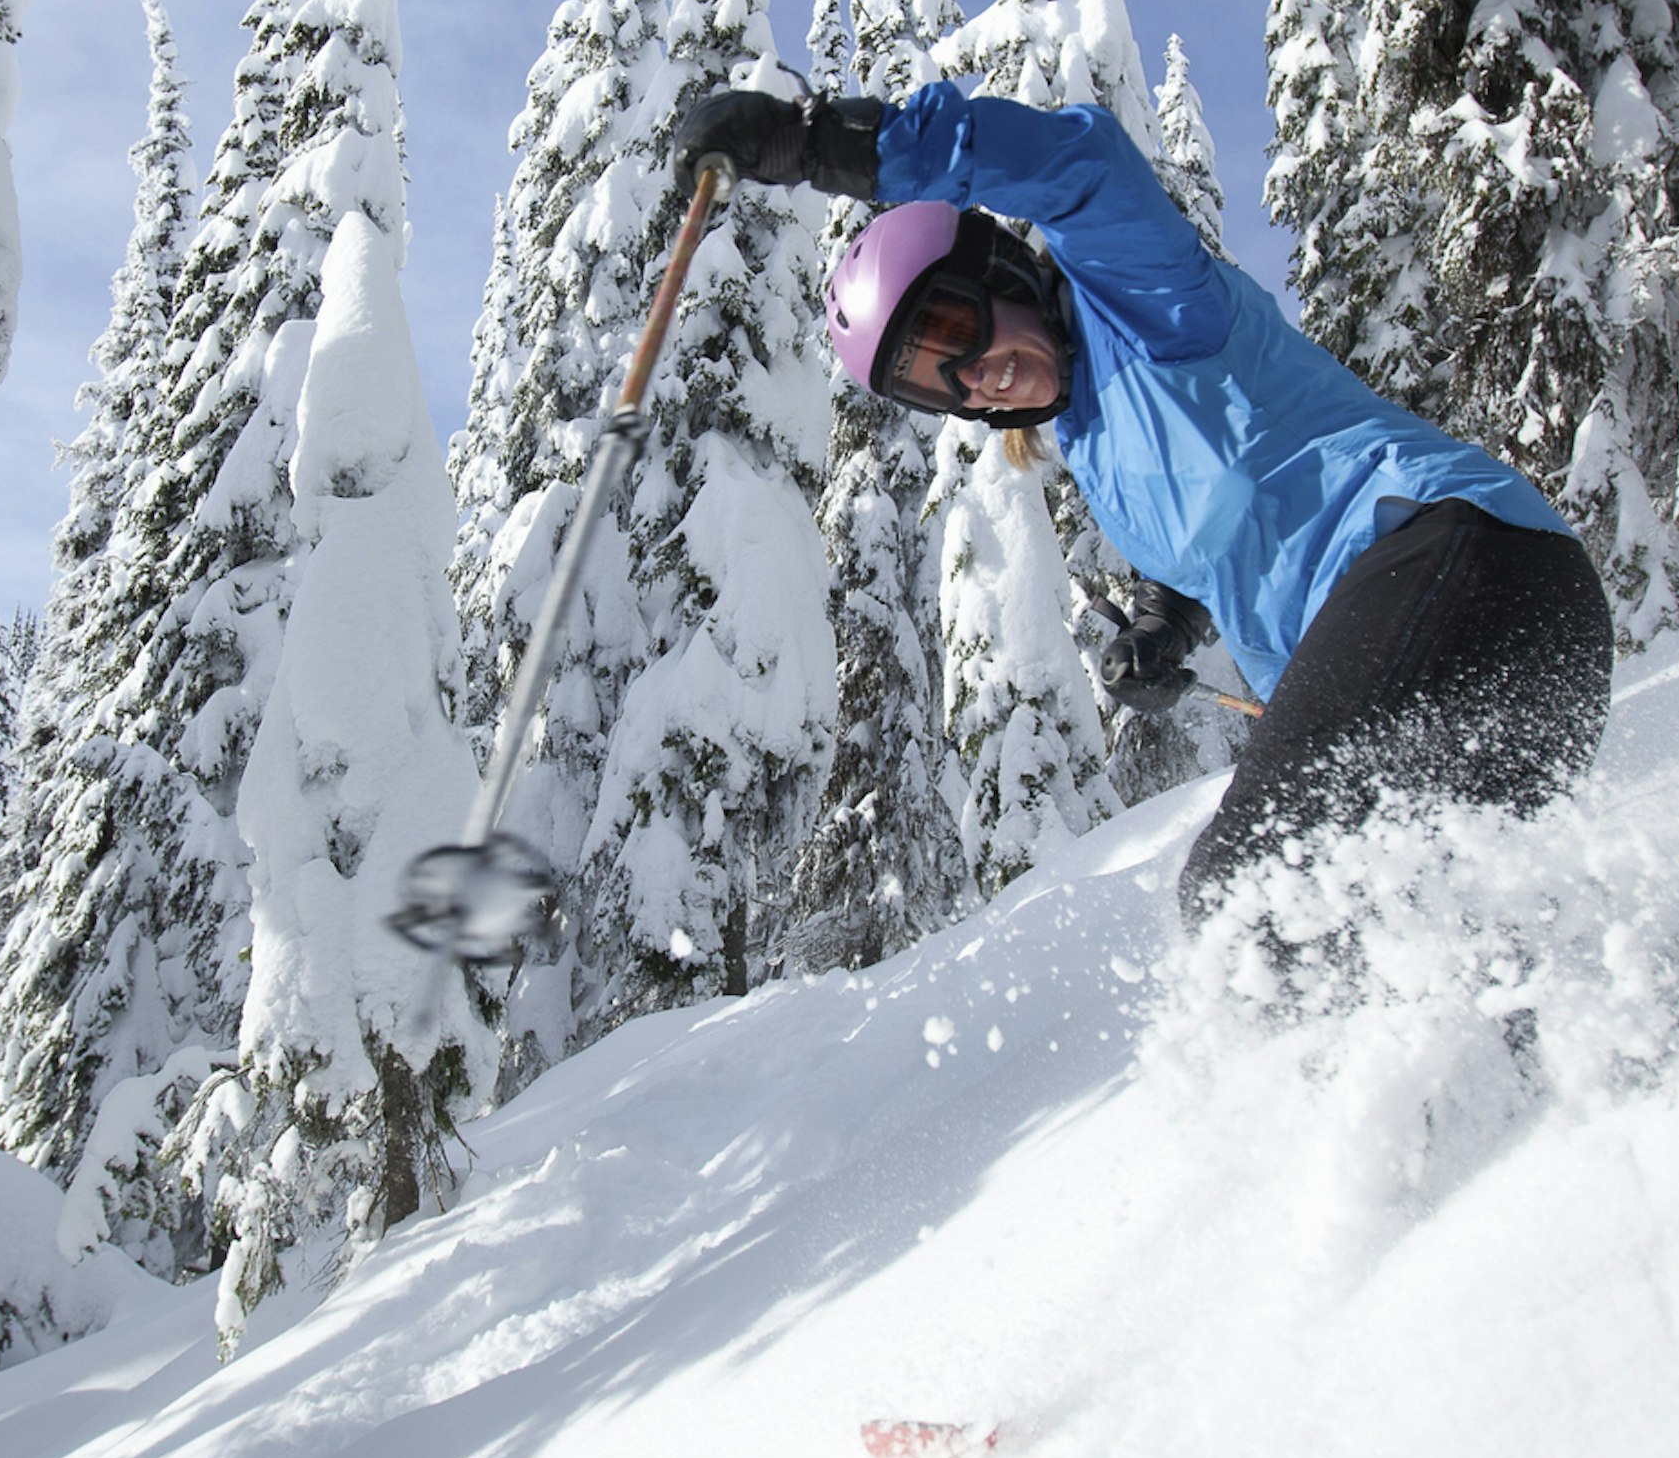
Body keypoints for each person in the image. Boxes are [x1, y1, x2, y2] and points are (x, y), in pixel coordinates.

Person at [673, 77, 1611, 923]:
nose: (973, 376)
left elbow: (1077, 164)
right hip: (1484, 668)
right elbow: (1219, 537)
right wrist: (1165, 629)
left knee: (1251, 901)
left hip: (1460, 564)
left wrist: (826, 143)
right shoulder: (1089, 445)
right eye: (933, 382)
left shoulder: (1147, 299)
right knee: (1426, 961)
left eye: (952, 327)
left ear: (1000, 270)